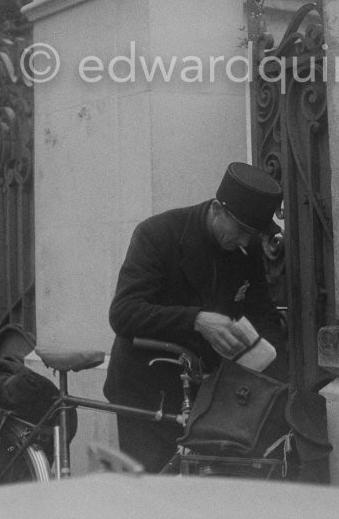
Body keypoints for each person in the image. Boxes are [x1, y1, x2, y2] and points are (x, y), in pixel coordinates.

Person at [103, 161, 287, 473]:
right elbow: (123, 313)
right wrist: (196, 320)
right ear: (217, 209)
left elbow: (262, 312)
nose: (245, 243)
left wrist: (269, 358)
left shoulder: (248, 244)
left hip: (209, 392)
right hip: (147, 389)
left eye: (252, 234)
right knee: (154, 491)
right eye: (241, 231)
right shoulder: (157, 234)